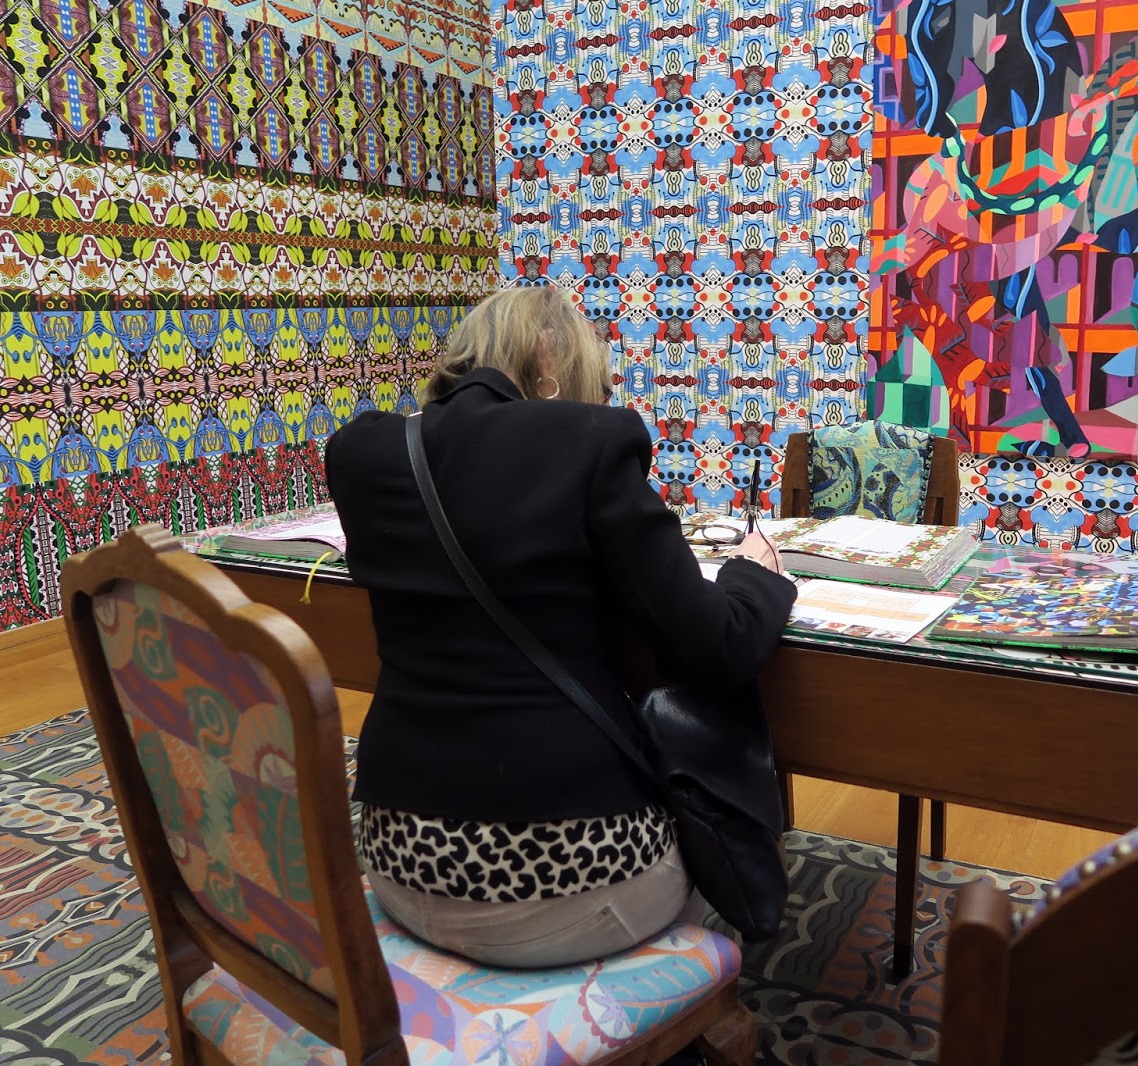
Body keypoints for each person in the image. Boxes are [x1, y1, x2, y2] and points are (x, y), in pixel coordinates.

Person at [325, 284, 797, 968]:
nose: (600, 392)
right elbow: (718, 644)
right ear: (549, 355)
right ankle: (666, 1000)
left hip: (400, 859)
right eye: (595, 374)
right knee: (705, 862)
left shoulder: (361, 451)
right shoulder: (589, 440)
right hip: (565, 878)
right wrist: (755, 574)